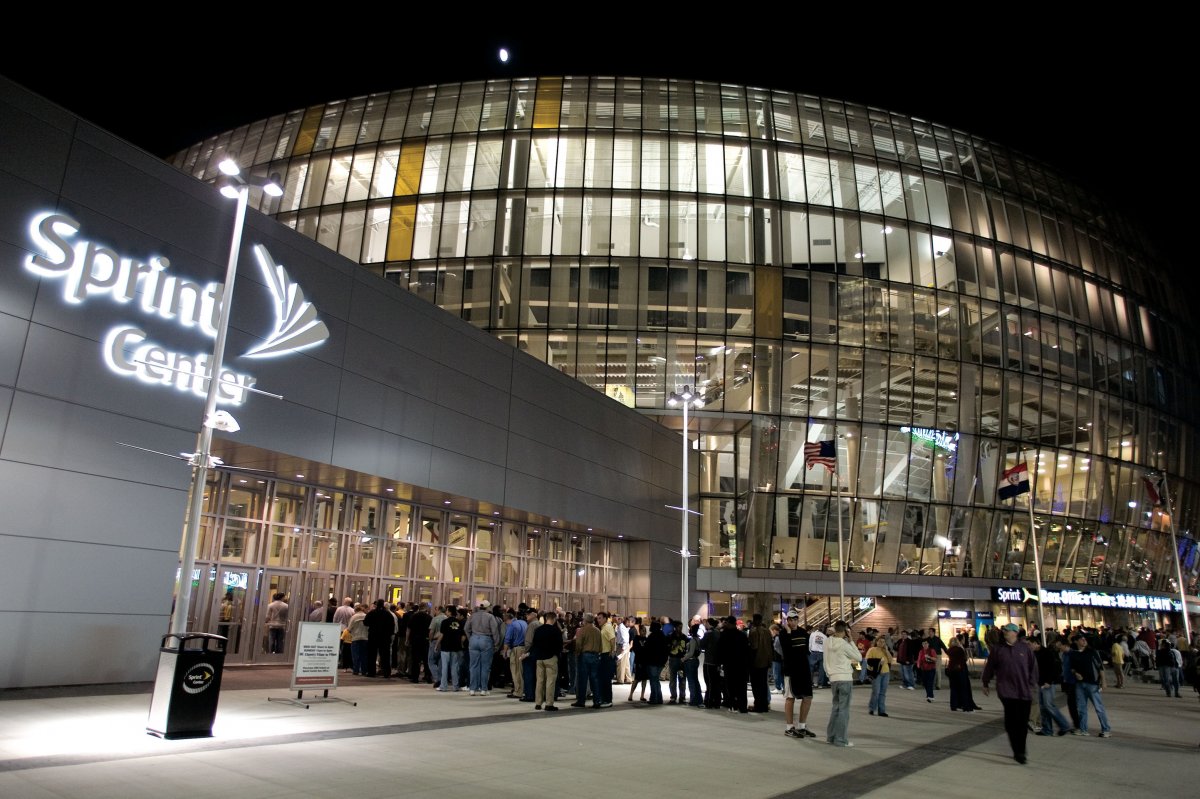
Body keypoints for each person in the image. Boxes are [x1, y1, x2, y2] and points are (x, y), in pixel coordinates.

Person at [981, 623, 1039, 764]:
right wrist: (985, 682)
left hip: (1024, 691)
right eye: (1004, 631)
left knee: (1022, 722)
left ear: (1015, 633)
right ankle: (1017, 751)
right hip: (1007, 691)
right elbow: (990, 667)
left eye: (1007, 631)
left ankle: (1021, 747)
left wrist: (1032, 685)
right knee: (1011, 723)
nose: (1005, 633)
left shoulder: (1025, 649)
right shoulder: (998, 650)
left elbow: (1033, 668)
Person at [778, 611, 816, 738]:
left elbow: (806, 651)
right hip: (790, 670)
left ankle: (802, 726)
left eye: (795, 619)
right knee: (790, 698)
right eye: (790, 619)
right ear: (787, 620)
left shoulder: (803, 632)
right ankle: (789, 727)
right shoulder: (783, 634)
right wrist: (788, 632)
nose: (793, 622)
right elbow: (787, 650)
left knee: (808, 697)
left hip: (804, 670)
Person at [824, 620, 861, 747]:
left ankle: (831, 736)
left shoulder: (827, 641)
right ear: (845, 631)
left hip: (833, 678)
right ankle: (840, 739)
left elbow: (825, 661)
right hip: (845, 678)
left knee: (836, 708)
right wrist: (851, 639)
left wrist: (829, 674)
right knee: (844, 710)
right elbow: (858, 658)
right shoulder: (845, 644)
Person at [1066, 633, 1111, 737]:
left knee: (1098, 708)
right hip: (1079, 684)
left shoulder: (1092, 652)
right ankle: (1083, 729)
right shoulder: (1074, 654)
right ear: (1076, 641)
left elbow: (1100, 667)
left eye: (1084, 639)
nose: (1084, 641)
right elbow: (1072, 668)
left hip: (1092, 684)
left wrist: (1103, 681)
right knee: (1081, 708)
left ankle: (1106, 729)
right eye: (1081, 639)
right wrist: (1075, 673)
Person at [1030, 636, 1072, 736]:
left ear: (1036, 643)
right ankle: (1047, 729)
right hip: (1040, 683)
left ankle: (1064, 725)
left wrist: (1049, 681)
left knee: (1049, 705)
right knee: (1043, 707)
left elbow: (1054, 668)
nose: (1028, 646)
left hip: (1047, 683)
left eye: (1029, 644)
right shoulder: (1034, 653)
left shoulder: (1047, 652)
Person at [464, 600, 501, 695]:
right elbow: (495, 631)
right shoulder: (490, 617)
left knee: (473, 666)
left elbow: (466, 629)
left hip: (474, 639)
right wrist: (496, 644)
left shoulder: (473, 616)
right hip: (486, 640)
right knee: (485, 666)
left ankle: (472, 689)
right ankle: (483, 689)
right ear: (488, 607)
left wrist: (470, 638)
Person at [528, 610, 562, 710]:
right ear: (554, 619)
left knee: (539, 681)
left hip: (539, 658)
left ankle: (538, 703)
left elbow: (534, 644)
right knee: (550, 681)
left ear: (546, 618)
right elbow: (559, 646)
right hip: (550, 658)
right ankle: (549, 704)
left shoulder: (538, 630)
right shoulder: (556, 631)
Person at [717, 615, 750, 713]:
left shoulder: (724, 635)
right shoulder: (742, 635)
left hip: (729, 664)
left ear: (729, 623)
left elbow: (720, 650)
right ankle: (742, 707)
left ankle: (733, 705)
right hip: (741, 664)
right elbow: (746, 650)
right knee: (742, 686)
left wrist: (719, 663)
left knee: (730, 686)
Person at [571, 612, 603, 708]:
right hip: (595, 656)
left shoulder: (582, 630)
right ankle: (597, 701)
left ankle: (581, 701)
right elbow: (601, 645)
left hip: (584, 656)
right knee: (594, 679)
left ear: (585, 620)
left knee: (583, 679)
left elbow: (579, 644)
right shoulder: (597, 630)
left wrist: (577, 653)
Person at [434, 606, 465, 691]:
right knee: (454, 667)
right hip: (455, 648)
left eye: (447, 611)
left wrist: (437, 645)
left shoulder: (445, 622)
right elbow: (463, 636)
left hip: (445, 647)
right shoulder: (459, 622)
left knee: (445, 667)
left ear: (449, 612)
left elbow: (441, 635)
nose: (446, 612)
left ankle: (443, 686)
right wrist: (461, 644)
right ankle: (455, 686)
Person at [946, 637, 981, 712]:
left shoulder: (949, 650)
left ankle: (954, 705)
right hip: (960, 670)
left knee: (953, 689)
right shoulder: (959, 650)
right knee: (963, 688)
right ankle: (966, 706)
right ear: (957, 642)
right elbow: (963, 659)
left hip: (951, 671)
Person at [364, 599, 396, 678]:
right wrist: (390, 635)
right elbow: (392, 626)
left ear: (377, 604)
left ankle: (371, 672)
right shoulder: (388, 614)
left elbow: (365, 622)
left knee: (372, 655)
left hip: (373, 636)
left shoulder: (372, 613)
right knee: (385, 656)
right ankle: (386, 673)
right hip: (385, 637)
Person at [747, 613, 773, 712]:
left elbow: (754, 647)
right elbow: (770, 647)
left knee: (756, 685)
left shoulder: (753, 631)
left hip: (756, 662)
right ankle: (764, 705)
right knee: (763, 684)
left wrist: (750, 662)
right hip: (766, 662)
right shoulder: (767, 631)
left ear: (755, 620)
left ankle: (758, 705)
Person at [865, 633, 893, 717]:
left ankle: (881, 710)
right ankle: (872, 708)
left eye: (883, 642)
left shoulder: (885, 650)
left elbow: (890, 660)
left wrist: (887, 650)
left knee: (883, 692)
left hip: (886, 673)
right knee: (876, 692)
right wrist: (878, 662)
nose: (881, 643)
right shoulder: (872, 649)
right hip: (876, 674)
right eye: (880, 641)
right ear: (876, 642)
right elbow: (868, 660)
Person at [642, 619, 669, 705]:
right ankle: (659, 698)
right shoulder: (663, 636)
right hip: (660, 662)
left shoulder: (651, 637)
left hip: (652, 662)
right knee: (656, 680)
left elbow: (646, 649)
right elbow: (666, 650)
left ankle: (654, 698)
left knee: (653, 681)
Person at [700, 617, 723, 708]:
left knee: (709, 682)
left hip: (709, 661)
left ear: (709, 623)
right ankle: (717, 702)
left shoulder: (708, 633)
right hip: (717, 662)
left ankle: (709, 702)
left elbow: (702, 644)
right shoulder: (719, 633)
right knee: (716, 682)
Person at [666, 621, 689, 704]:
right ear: (675, 627)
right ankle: (673, 696)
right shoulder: (670, 637)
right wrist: (673, 646)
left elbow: (687, 648)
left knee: (682, 678)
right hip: (673, 659)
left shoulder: (684, 637)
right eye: (679, 627)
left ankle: (682, 697)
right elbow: (667, 649)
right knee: (673, 679)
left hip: (681, 661)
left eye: (681, 627)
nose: (680, 629)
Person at [683, 623, 704, 707]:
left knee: (691, 681)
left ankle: (693, 700)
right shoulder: (698, 639)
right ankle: (698, 699)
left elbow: (690, 653)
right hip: (696, 660)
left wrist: (683, 659)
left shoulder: (692, 640)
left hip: (690, 661)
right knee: (695, 681)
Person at [628, 622, 650, 702]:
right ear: (639, 631)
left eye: (645, 631)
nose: (644, 632)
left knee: (644, 679)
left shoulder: (647, 640)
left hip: (645, 662)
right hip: (638, 661)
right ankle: (630, 694)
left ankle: (642, 695)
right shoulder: (636, 639)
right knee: (637, 679)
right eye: (642, 631)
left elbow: (648, 651)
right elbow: (636, 650)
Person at [347, 603, 368, 676]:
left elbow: (349, 629)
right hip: (365, 638)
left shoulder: (354, 617)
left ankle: (356, 670)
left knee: (355, 655)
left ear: (355, 610)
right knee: (364, 655)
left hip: (355, 638)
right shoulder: (366, 616)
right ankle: (364, 671)